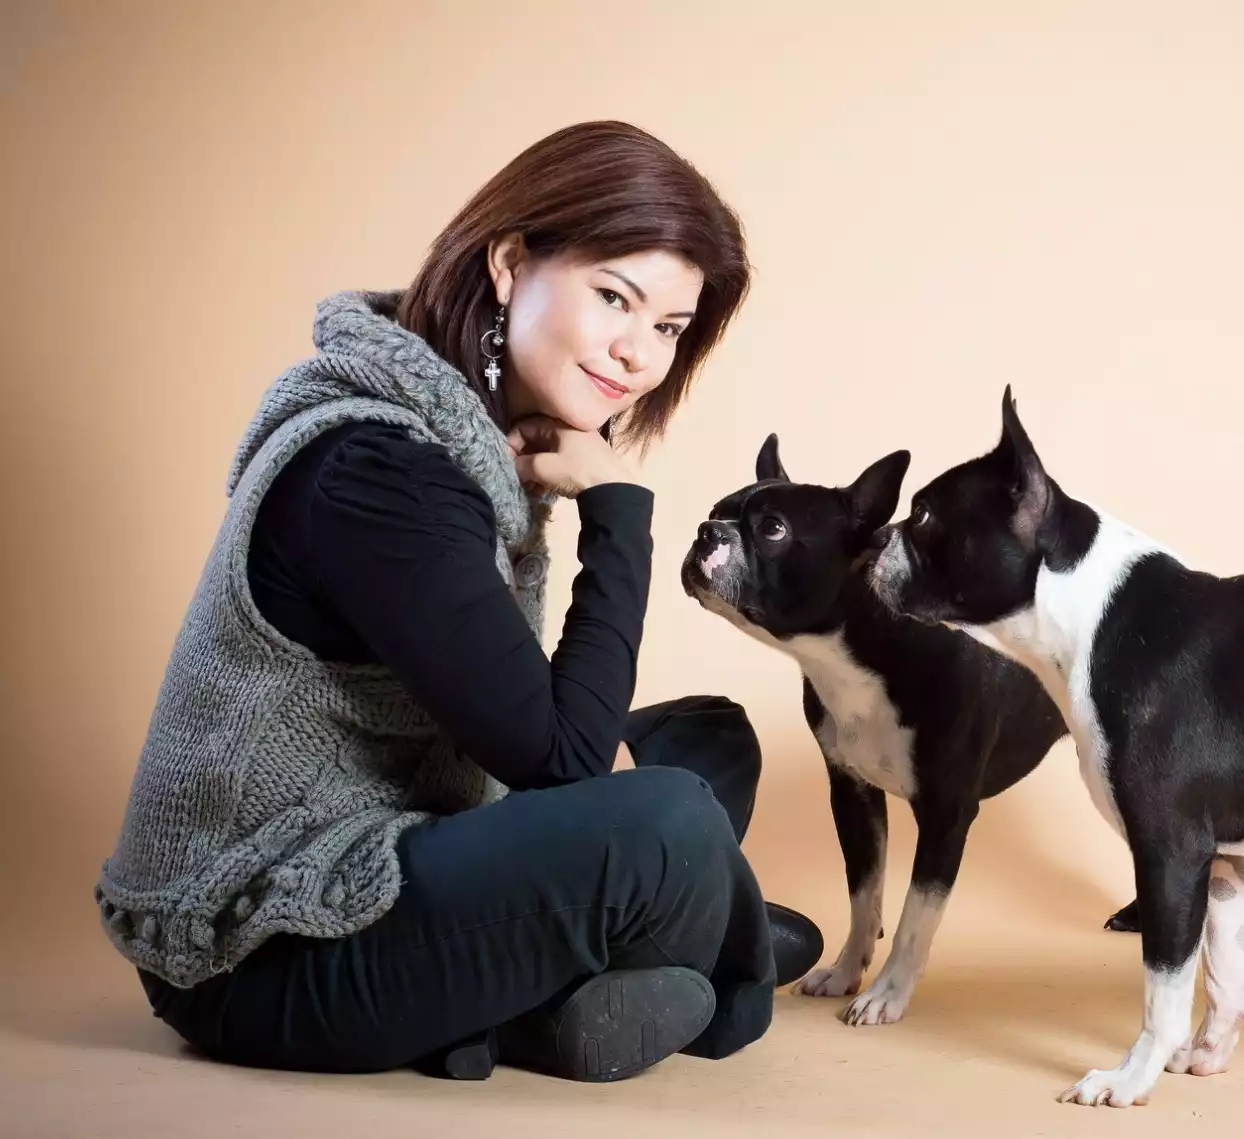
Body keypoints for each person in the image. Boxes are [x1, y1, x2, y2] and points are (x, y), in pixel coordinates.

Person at [94, 120, 824, 1083]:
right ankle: (705, 969)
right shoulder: (383, 469)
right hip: (263, 946)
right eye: (615, 297)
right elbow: (560, 761)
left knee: (708, 739)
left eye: (667, 329)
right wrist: (618, 510)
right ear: (513, 262)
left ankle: (550, 993)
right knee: (669, 822)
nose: (639, 355)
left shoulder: (464, 429)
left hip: (399, 827)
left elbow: (537, 736)